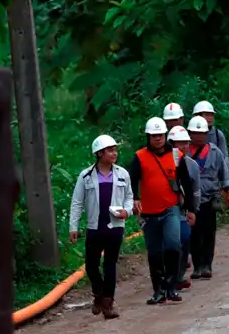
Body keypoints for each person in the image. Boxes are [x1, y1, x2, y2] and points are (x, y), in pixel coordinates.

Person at [127, 117, 197, 305]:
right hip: (149, 213)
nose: (157, 138)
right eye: (153, 136)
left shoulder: (176, 156)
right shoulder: (140, 157)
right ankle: (158, 290)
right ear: (148, 137)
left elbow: (186, 183)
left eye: (160, 135)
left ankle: (172, 287)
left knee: (173, 245)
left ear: (165, 135)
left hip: (170, 209)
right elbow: (132, 179)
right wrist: (135, 198)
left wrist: (191, 209)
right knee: (154, 252)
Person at [68, 135, 134, 320]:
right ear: (99, 153)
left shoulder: (122, 174)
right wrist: (73, 226)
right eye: (110, 150)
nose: (114, 153)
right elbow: (77, 202)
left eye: (115, 150)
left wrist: (127, 211)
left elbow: (129, 196)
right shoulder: (86, 176)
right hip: (95, 227)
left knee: (110, 264)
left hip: (115, 226)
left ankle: (108, 303)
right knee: (91, 265)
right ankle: (99, 294)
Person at [185, 116, 229, 280]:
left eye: (202, 133)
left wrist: (227, 191)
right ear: (189, 134)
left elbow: (223, 172)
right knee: (194, 234)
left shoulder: (214, 152)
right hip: (191, 201)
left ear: (207, 134)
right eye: (195, 133)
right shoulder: (184, 153)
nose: (198, 136)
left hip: (210, 199)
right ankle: (197, 265)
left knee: (209, 233)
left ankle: (207, 265)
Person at [166, 125, 200, 290]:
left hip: (183, 210)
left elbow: (195, 189)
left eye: (186, 143)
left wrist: (193, 209)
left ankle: (178, 276)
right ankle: (169, 277)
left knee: (185, 239)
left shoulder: (192, 165)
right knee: (170, 243)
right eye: (180, 143)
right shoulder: (164, 163)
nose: (184, 146)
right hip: (167, 208)